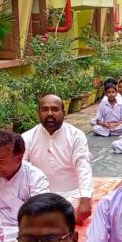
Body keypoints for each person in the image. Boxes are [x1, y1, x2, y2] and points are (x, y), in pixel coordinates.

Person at [23, 94, 94, 224]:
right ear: (38, 113)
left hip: (71, 197)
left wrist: (85, 199)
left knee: (73, 210)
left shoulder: (76, 136)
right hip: (38, 196)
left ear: (64, 112)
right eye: (45, 109)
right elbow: (22, 172)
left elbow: (83, 168)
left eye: (55, 109)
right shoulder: (27, 138)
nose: (50, 113)